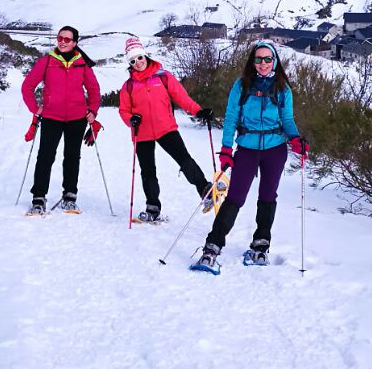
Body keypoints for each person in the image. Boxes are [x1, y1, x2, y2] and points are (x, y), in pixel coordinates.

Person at [196, 42, 308, 270]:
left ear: (275, 61)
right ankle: (212, 247)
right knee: (235, 197)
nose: (263, 63)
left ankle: (260, 245)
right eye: (258, 59)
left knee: (267, 196)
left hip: (275, 149)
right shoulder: (241, 86)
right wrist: (226, 149)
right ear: (252, 61)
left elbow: (287, 119)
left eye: (268, 59)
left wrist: (295, 139)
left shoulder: (282, 88)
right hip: (246, 148)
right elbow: (230, 119)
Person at [118, 36, 215, 222]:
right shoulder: (128, 86)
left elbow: (181, 97)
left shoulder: (163, 76)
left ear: (145, 56)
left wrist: (199, 111)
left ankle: (205, 190)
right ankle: (152, 208)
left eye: (139, 58)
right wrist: (132, 120)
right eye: (132, 60)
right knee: (148, 172)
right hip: (142, 133)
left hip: (166, 128)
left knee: (184, 160)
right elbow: (124, 110)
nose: (137, 63)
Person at [20, 25, 100, 214]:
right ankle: (39, 197)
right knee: (45, 157)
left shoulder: (82, 64)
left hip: (77, 118)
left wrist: (93, 111)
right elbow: (27, 86)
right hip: (51, 117)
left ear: (74, 43)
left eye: (67, 39)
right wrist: (35, 108)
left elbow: (94, 90)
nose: (62, 42)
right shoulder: (46, 61)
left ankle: (70, 196)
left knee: (72, 157)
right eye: (60, 38)